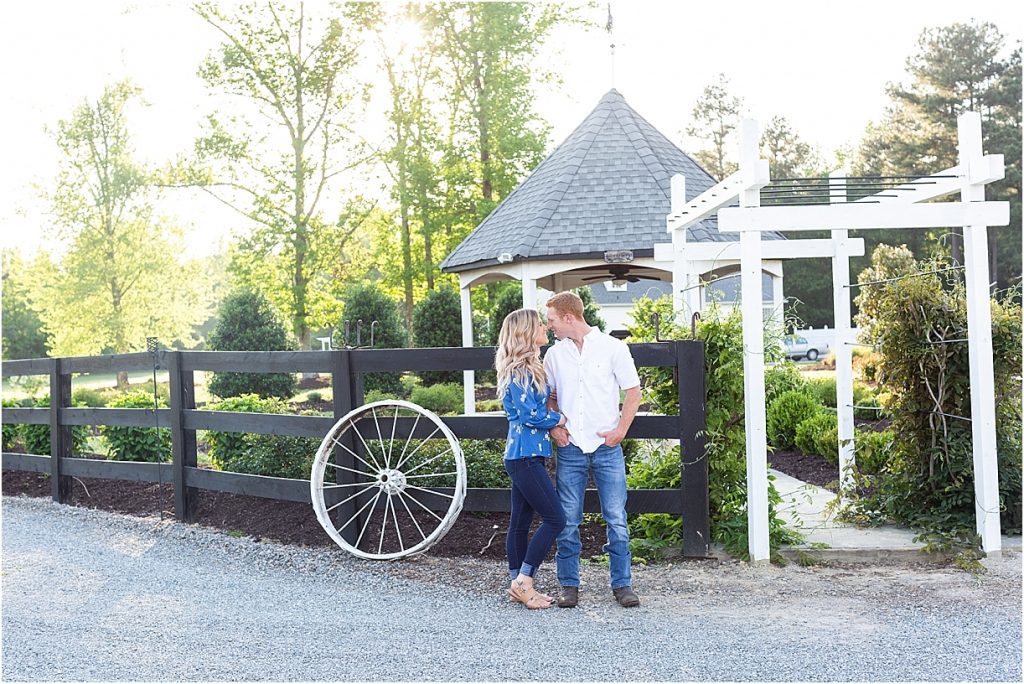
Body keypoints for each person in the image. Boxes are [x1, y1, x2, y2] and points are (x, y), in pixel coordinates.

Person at [543, 291, 642, 608]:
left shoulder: (613, 348)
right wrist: (555, 428)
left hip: (606, 448)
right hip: (571, 447)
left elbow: (633, 391)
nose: (550, 327)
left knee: (616, 518)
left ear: (568, 317)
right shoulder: (554, 356)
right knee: (568, 520)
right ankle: (569, 585)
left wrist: (620, 431)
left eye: (552, 321)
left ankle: (622, 585)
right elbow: (549, 397)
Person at [495, 308, 568, 610]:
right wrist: (559, 418)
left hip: (525, 455)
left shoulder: (529, 367)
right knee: (556, 518)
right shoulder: (520, 371)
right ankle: (524, 582)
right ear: (525, 332)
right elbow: (530, 415)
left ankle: (517, 583)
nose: (544, 328)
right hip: (524, 456)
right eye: (539, 324)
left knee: (520, 522)